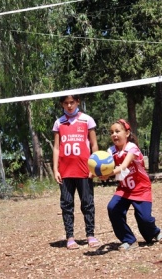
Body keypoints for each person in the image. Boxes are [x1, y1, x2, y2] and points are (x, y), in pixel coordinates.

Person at [100, 119, 162, 251]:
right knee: (113, 208)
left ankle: (155, 233)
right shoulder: (110, 151)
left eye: (117, 131)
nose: (114, 134)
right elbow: (104, 165)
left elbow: (124, 166)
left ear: (127, 133)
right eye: (111, 132)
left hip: (140, 188)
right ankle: (129, 240)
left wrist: (109, 173)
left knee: (145, 219)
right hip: (124, 189)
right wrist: (96, 172)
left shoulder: (132, 148)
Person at [52, 95, 100, 250]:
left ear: (78, 102)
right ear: (62, 104)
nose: (69, 105)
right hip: (65, 172)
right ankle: (70, 237)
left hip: (84, 171)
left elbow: (94, 144)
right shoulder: (59, 123)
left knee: (87, 203)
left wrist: (95, 167)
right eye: (66, 103)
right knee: (66, 204)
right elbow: (57, 148)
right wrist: (55, 169)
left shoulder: (87, 120)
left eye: (72, 102)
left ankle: (90, 235)